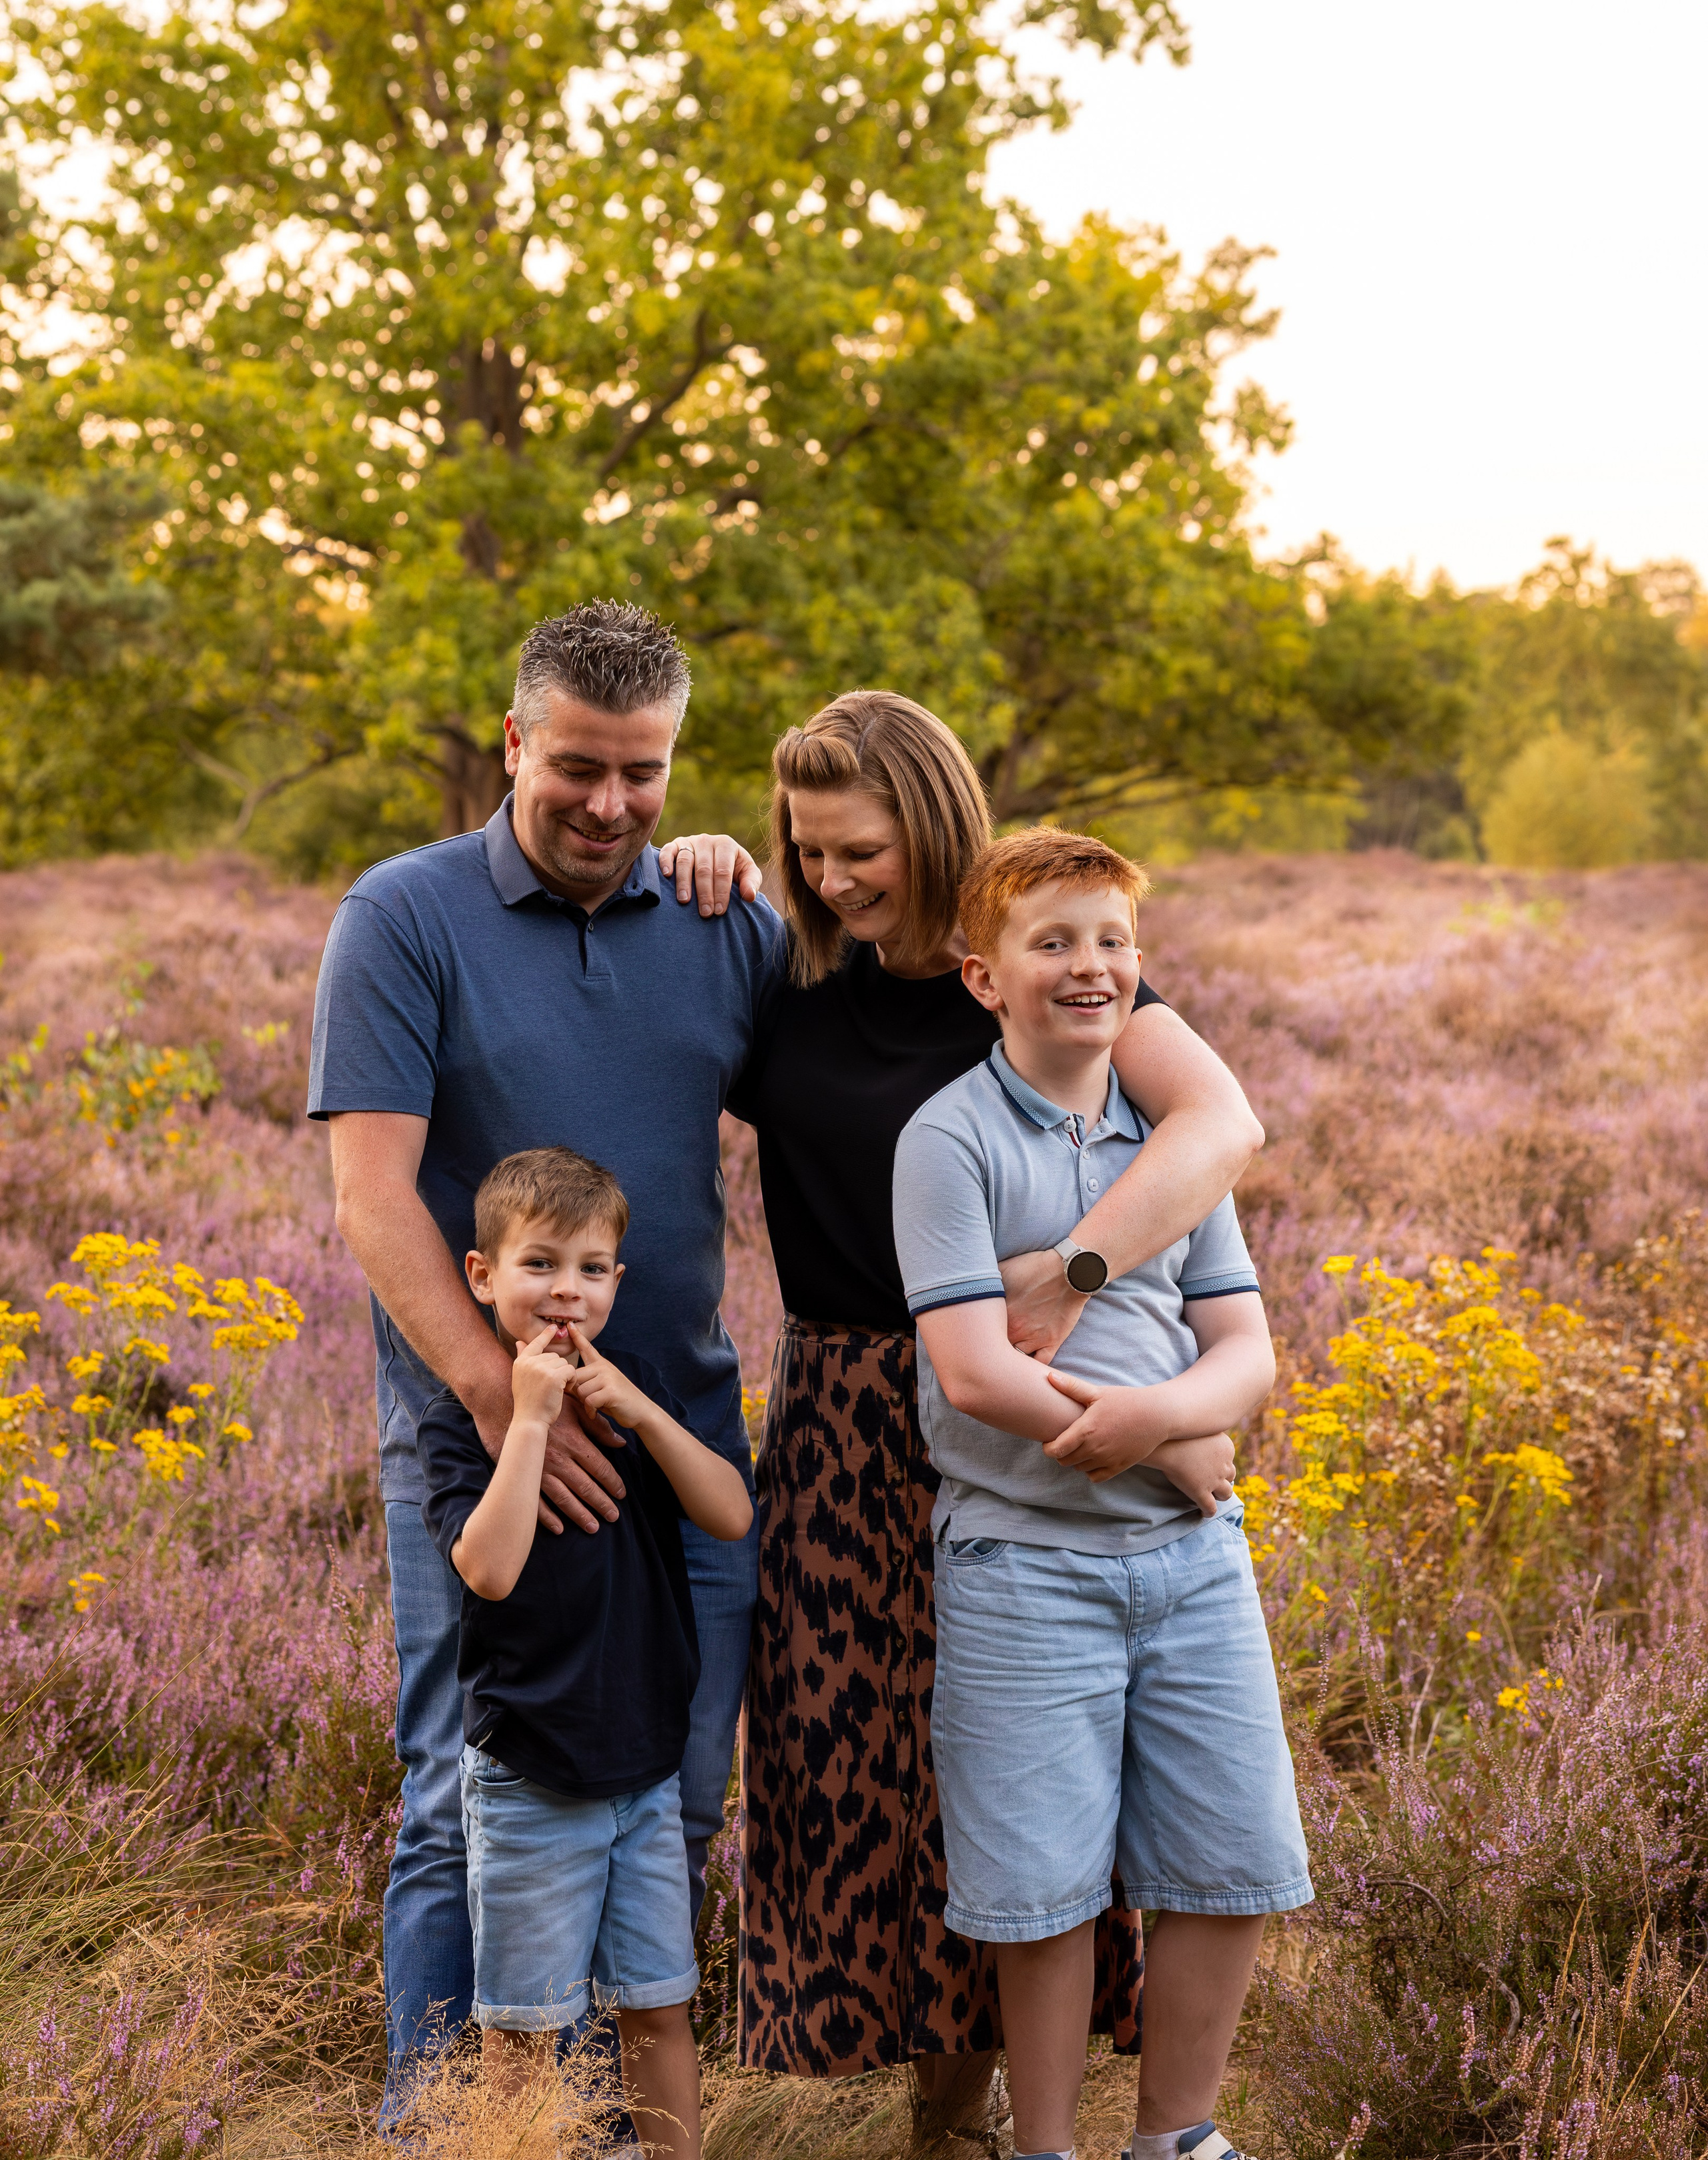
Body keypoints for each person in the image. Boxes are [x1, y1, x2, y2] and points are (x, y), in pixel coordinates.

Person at [673, 691, 1266, 2141]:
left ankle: (979, 2108)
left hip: (1021, 1407)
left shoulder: (1038, 971)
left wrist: (1098, 1325)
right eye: (804, 850)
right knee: (853, 1770)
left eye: (857, 848)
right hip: (841, 1415)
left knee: (1006, 1786)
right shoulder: (785, 980)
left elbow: (1221, 1128)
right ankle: (934, 2094)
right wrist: (687, 857)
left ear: (934, 826)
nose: (830, 879)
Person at [308, 601, 780, 2122]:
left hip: (677, 1443)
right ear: (515, 742)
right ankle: (446, 2127)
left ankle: (594, 2122)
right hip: (479, 1443)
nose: (609, 805)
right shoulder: (403, 913)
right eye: (577, 764)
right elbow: (374, 1194)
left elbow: (867, 1067)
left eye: (642, 774)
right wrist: (505, 1403)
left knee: (671, 1791)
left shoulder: (725, 925)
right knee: (468, 1798)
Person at [893, 827, 1312, 2160]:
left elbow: (1243, 1351)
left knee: (1228, 1857)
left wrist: (1173, 1426)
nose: (1090, 966)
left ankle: (1176, 2137)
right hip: (1023, 1560)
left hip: (1193, 1560)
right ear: (982, 976)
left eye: (1112, 941)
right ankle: (1047, 2149)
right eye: (1053, 941)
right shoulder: (945, 1138)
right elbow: (971, 1371)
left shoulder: (1172, 1143)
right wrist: (1145, 1438)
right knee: (1040, 1891)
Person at [418, 1146, 752, 2159]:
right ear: (483, 1276)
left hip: (643, 1767)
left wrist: (643, 1413)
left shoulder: (635, 1390)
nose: (567, 1288)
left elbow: (731, 1513)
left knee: (659, 2007)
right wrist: (526, 1420)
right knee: (525, 2028)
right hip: (532, 1771)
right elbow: (489, 1566)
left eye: (593, 1267)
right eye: (540, 1263)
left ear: (619, 1281)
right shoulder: (459, 1422)